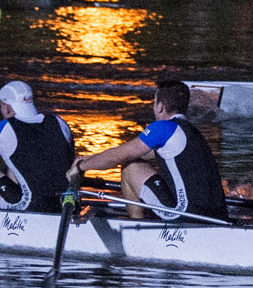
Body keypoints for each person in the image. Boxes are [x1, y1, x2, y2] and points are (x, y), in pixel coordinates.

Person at [70, 79, 229, 223]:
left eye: (154, 102)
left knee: (129, 167)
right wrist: (91, 158)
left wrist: (81, 166)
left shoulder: (162, 128)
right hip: (216, 216)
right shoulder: (191, 132)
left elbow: (119, 155)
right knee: (133, 160)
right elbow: (139, 153)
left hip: (184, 214)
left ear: (160, 106)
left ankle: (137, 227)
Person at [0, 80, 77, 211]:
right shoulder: (60, 123)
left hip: (29, 206)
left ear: (6, 107)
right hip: (65, 205)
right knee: (17, 160)